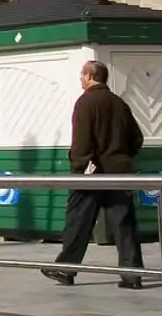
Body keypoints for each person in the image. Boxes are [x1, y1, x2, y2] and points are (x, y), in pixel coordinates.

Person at [43, 60, 148, 289]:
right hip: (119, 173)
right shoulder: (119, 103)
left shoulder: (85, 103)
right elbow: (136, 138)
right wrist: (122, 157)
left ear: (90, 76)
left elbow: (82, 141)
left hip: (92, 175)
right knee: (124, 224)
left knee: (78, 223)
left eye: (82, 75)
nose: (80, 79)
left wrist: (79, 168)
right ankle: (132, 275)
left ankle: (66, 268)